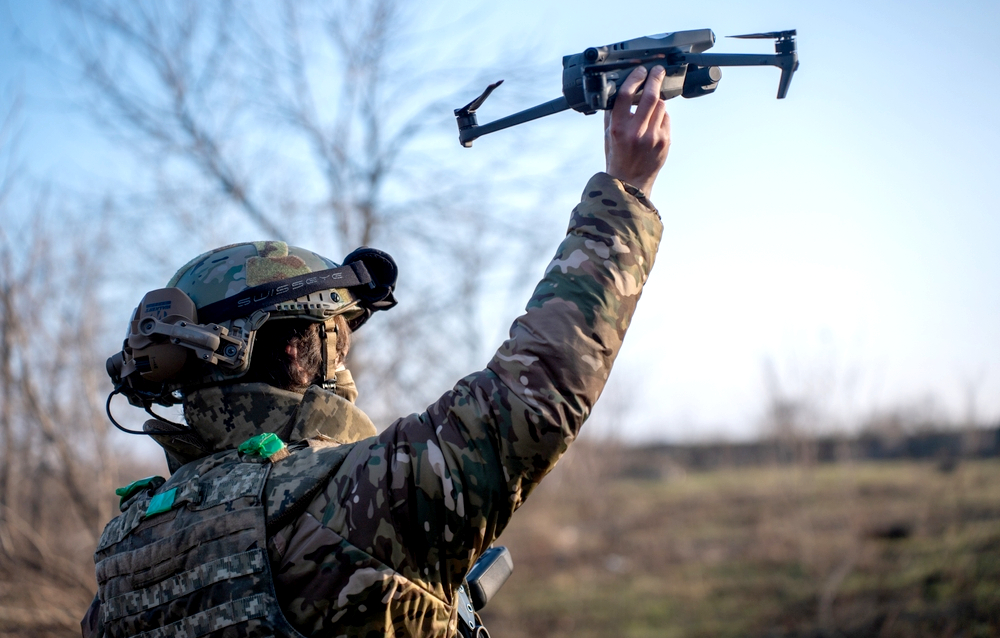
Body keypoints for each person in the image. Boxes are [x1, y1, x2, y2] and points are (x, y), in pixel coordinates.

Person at [82, 65, 671, 638]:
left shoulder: (124, 559)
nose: (345, 367)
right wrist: (626, 192)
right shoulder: (351, 499)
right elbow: (532, 393)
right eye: (336, 341)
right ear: (296, 351)